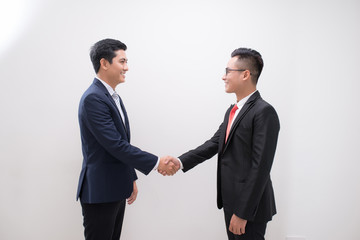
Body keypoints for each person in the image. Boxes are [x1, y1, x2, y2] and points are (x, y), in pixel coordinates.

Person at [165, 48, 280, 240]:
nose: (223, 77)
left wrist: (243, 212)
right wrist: (180, 161)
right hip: (231, 201)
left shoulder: (264, 112)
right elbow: (214, 144)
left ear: (245, 74)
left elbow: (261, 167)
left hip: (250, 207)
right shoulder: (232, 111)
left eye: (228, 71)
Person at [76, 38, 177, 240]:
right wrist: (157, 162)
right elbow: (115, 145)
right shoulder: (93, 98)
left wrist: (129, 177)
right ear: (104, 63)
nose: (127, 68)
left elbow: (120, 144)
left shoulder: (112, 96)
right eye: (122, 62)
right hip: (100, 191)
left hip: (114, 187)